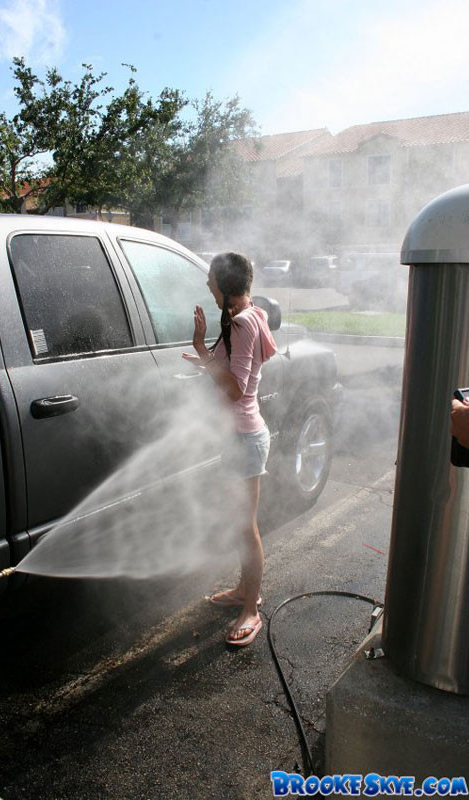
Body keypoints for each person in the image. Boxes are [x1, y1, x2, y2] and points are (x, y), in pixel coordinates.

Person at [182, 252, 277, 647]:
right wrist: (205, 358)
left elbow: (236, 387)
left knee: (245, 526)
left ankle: (251, 608)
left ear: (224, 286)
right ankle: (244, 591)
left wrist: (203, 350)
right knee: (241, 523)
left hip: (244, 437)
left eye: (211, 281)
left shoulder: (240, 322)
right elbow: (241, 367)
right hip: (243, 435)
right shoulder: (251, 314)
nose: (207, 285)